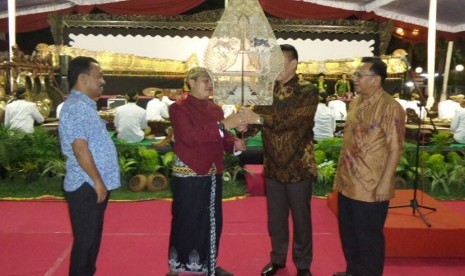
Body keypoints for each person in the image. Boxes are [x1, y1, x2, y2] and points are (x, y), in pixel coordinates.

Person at [241, 44, 319, 276]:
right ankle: (277, 259)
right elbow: (256, 122)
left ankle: (303, 265)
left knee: (301, 220)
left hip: (298, 167)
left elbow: (293, 120)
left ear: (293, 64)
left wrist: (260, 118)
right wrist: (244, 127)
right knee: (276, 220)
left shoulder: (308, 90)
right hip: (273, 167)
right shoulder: (267, 89)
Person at [167, 67, 247, 276]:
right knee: (185, 220)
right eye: (205, 80)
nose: (210, 85)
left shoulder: (215, 110)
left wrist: (234, 145)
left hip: (212, 174)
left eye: (211, 81)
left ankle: (208, 265)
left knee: (212, 222)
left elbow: (224, 138)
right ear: (190, 82)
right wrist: (222, 126)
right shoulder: (178, 109)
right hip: (188, 174)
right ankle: (177, 266)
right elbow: (189, 136)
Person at [333, 57, 405, 276]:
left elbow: (395, 148)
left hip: (371, 186)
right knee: (349, 234)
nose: (355, 79)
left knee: (369, 239)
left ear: (376, 80)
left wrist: (385, 182)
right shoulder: (355, 102)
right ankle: (353, 272)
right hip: (348, 182)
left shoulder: (391, 108)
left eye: (359, 75)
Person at [58, 56, 121, 276]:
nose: (103, 81)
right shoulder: (76, 107)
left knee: (91, 239)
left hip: (91, 185)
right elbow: (79, 148)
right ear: (83, 79)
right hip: (86, 185)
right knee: (86, 242)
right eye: (99, 76)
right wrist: (96, 181)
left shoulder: (85, 106)